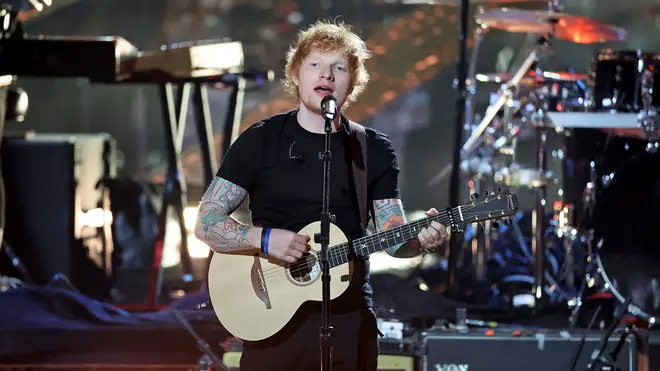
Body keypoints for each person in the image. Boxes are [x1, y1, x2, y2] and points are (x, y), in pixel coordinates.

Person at [194, 20, 448, 371]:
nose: (326, 75)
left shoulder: (372, 149)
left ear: (352, 82)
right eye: (316, 65)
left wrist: (421, 241)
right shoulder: (261, 140)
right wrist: (264, 239)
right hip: (271, 323)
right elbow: (206, 223)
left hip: (348, 323)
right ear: (296, 74)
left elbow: (393, 238)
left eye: (338, 68)